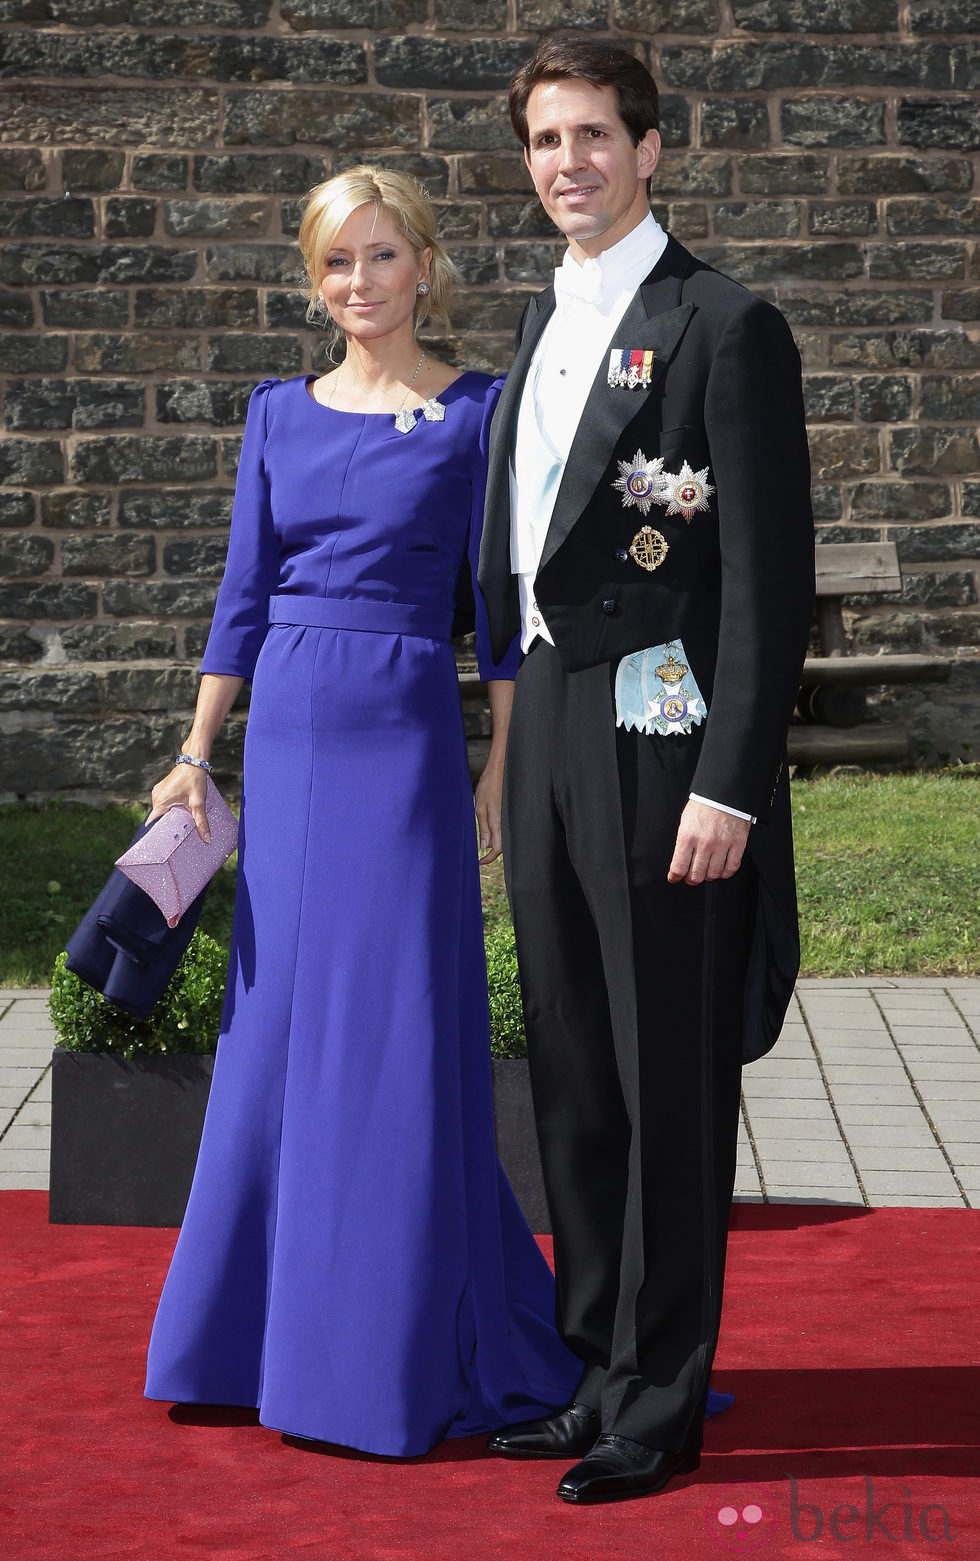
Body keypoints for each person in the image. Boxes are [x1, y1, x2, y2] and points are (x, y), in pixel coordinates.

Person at [143, 165, 581, 1458]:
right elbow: (240, 595)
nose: (360, 284)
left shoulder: (477, 415)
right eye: (338, 263)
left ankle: (389, 1348)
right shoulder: (276, 413)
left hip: (403, 733)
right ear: (313, 277)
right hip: (289, 728)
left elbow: (499, 611)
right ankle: (245, 1339)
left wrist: (500, 762)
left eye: (382, 258)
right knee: (276, 1034)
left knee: (396, 1033)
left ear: (425, 267)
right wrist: (195, 750)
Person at [477, 38, 815, 1502]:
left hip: (665, 738)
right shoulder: (536, 328)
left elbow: (767, 584)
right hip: (553, 715)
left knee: (664, 1077)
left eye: (597, 136)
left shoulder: (723, 325)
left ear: (654, 147)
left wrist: (730, 782)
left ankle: (662, 1399)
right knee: (571, 1070)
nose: (571, 163)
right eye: (549, 141)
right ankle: (594, 1366)